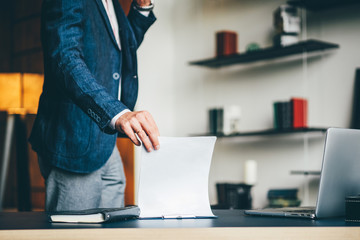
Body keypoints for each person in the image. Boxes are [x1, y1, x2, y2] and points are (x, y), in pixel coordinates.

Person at [29, 0, 160, 212]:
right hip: (73, 140)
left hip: (106, 145)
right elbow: (65, 58)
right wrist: (116, 113)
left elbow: (121, 48)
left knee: (113, 231)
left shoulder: (113, 4)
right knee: (74, 234)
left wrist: (142, 7)